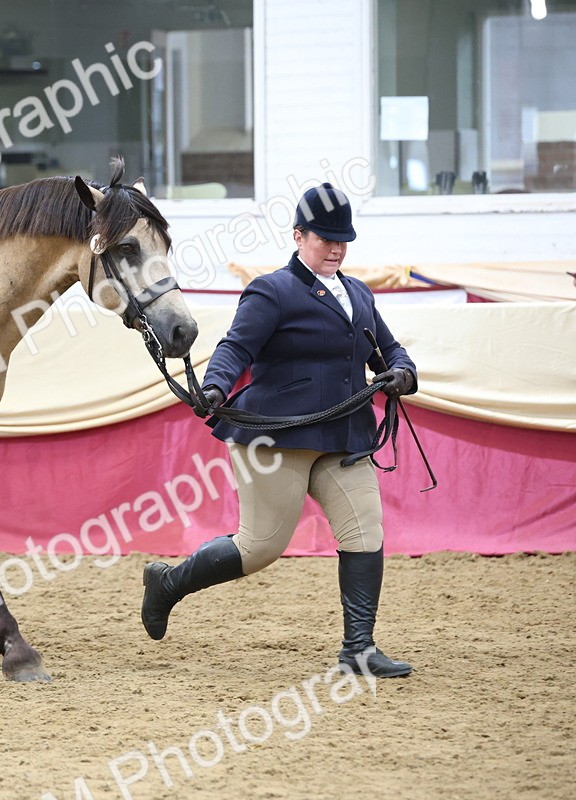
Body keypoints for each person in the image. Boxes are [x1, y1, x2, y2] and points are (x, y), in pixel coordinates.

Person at [141, 182, 417, 678]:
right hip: (277, 436)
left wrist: (403, 371)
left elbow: (389, 349)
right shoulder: (273, 290)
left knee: (365, 530)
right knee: (261, 546)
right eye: (324, 239)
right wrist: (216, 387)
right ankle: (168, 583)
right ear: (298, 235)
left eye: (343, 240)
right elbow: (235, 348)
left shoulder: (358, 293)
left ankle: (359, 649)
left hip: (344, 437)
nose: (336, 248)